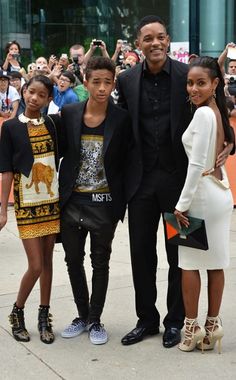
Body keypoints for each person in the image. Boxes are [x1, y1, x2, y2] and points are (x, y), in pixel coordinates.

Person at [116, 15, 233, 348]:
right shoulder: (126, 81)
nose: (155, 43)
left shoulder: (188, 76)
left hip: (182, 186)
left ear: (168, 41)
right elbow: (122, 129)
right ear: (138, 44)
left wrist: (230, 143)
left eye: (161, 37)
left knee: (180, 255)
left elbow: (218, 112)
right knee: (140, 254)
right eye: (148, 38)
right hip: (139, 185)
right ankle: (146, 320)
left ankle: (175, 322)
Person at [58, 56, 130, 345]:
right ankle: (82, 314)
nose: (102, 88)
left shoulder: (121, 118)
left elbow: (127, 161)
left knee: (101, 262)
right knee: (73, 260)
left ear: (113, 85)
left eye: (107, 82)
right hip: (72, 202)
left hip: (104, 203)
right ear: (85, 83)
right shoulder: (70, 112)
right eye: (96, 82)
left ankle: (96, 319)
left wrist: (119, 204)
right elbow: (59, 151)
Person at [174, 56, 234, 353]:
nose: (193, 88)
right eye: (189, 82)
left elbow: (196, 164)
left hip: (200, 198)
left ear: (215, 84)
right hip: (221, 194)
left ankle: (191, 329)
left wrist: (181, 205)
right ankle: (212, 326)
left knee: (189, 264)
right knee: (216, 263)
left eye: (200, 83)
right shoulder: (216, 111)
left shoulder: (202, 115)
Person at [0, 75, 61, 344]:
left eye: (40, 94)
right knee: (35, 265)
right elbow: (5, 171)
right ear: (23, 92)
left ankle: (44, 316)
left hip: (51, 200)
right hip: (26, 203)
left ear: (49, 99)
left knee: (47, 264)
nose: (33, 98)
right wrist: (3, 209)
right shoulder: (11, 127)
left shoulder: (51, 123)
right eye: (30, 92)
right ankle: (17, 311)